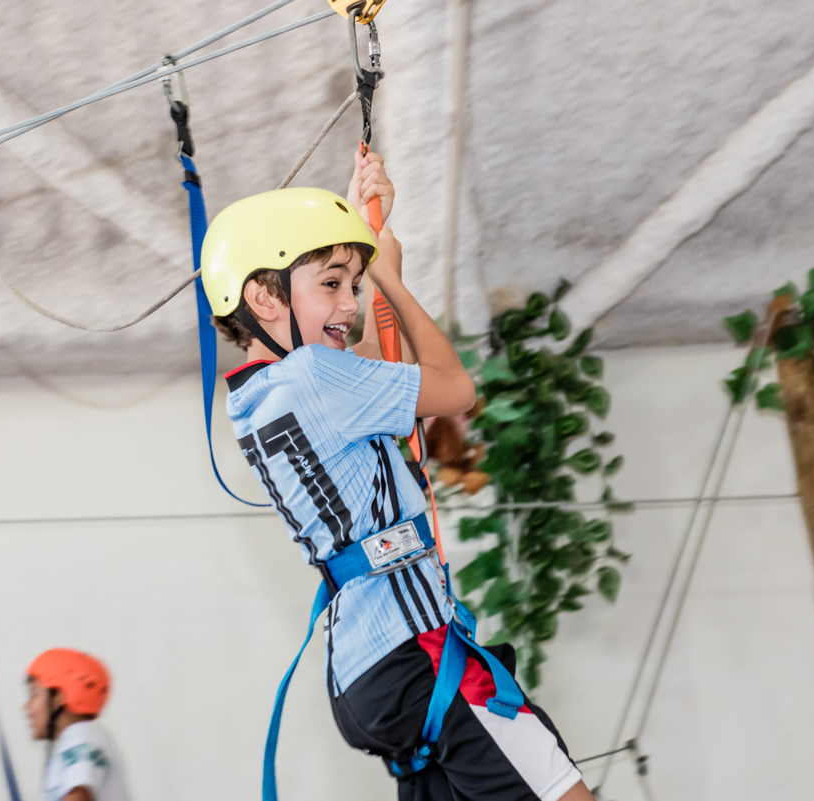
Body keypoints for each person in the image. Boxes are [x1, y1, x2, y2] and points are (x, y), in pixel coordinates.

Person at [202, 152, 595, 801]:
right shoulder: (310, 376)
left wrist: (379, 259)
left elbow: (393, 375)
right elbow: (454, 388)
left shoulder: (260, 395)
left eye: (351, 286)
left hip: (368, 676)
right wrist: (389, 275)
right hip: (418, 648)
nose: (349, 304)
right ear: (263, 296)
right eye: (331, 283)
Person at [24, 648, 130, 801]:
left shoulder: (81, 736)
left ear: (59, 697)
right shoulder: (77, 739)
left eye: (33, 694)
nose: (27, 707)